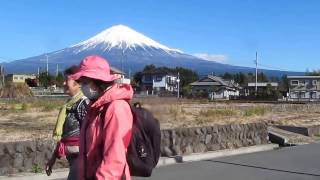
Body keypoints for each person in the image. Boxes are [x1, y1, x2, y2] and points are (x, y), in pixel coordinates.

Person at [69, 55, 133, 180]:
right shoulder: (95, 107)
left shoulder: (116, 108)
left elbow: (114, 158)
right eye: (82, 82)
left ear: (99, 81)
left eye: (86, 82)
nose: (83, 87)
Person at [45, 65, 90, 180]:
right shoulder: (69, 105)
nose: (64, 84)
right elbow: (65, 136)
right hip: (73, 159)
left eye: (67, 80)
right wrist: (53, 159)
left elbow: (91, 133)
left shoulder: (83, 105)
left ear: (79, 83)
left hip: (82, 160)